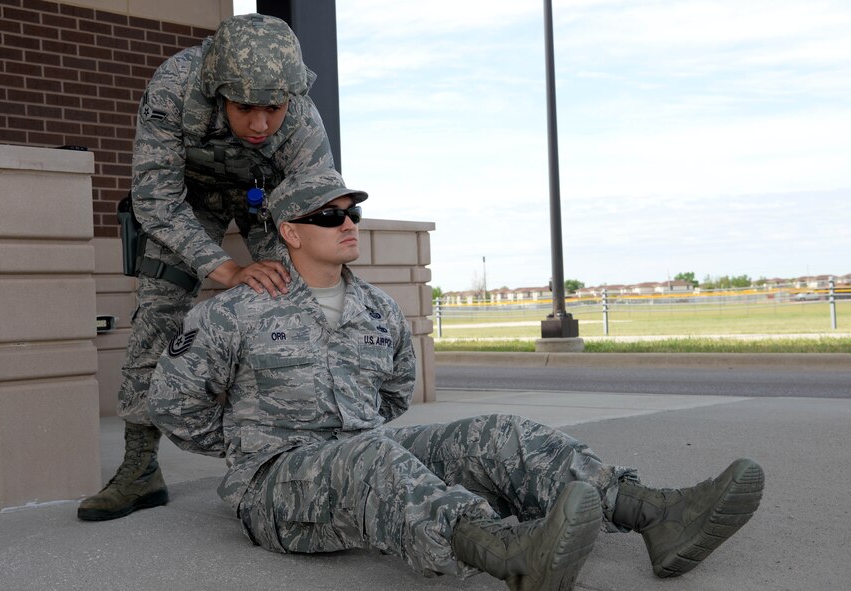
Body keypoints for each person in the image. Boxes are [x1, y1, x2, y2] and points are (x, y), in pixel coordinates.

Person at [147, 170, 765, 590]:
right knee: (366, 457)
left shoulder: (379, 311)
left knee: (499, 434)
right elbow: (174, 404)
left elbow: (393, 395)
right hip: (279, 484)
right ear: (289, 231)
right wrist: (245, 454)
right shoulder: (238, 310)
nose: (348, 222)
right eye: (327, 214)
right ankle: (509, 553)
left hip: (369, 452)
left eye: (352, 211)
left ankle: (652, 513)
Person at [77, 13, 336, 521]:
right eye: (244, 109)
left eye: (273, 109)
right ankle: (140, 470)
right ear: (219, 91)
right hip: (186, 202)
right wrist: (224, 268)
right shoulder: (174, 85)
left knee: (296, 299)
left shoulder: (302, 114)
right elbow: (155, 198)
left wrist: (306, 263)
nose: (261, 124)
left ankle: (305, 449)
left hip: (267, 202)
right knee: (157, 311)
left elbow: (315, 201)